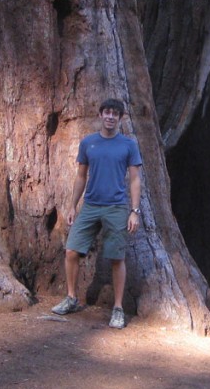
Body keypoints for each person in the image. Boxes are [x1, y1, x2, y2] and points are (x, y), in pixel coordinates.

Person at [52, 98, 142, 328]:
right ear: (100, 115)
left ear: (120, 118)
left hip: (116, 207)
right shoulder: (88, 143)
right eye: (107, 112)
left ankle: (118, 308)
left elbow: (134, 179)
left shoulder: (128, 145)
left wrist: (134, 211)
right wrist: (73, 205)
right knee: (72, 250)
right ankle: (71, 297)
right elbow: (81, 176)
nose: (110, 117)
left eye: (115, 113)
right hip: (91, 205)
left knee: (116, 257)